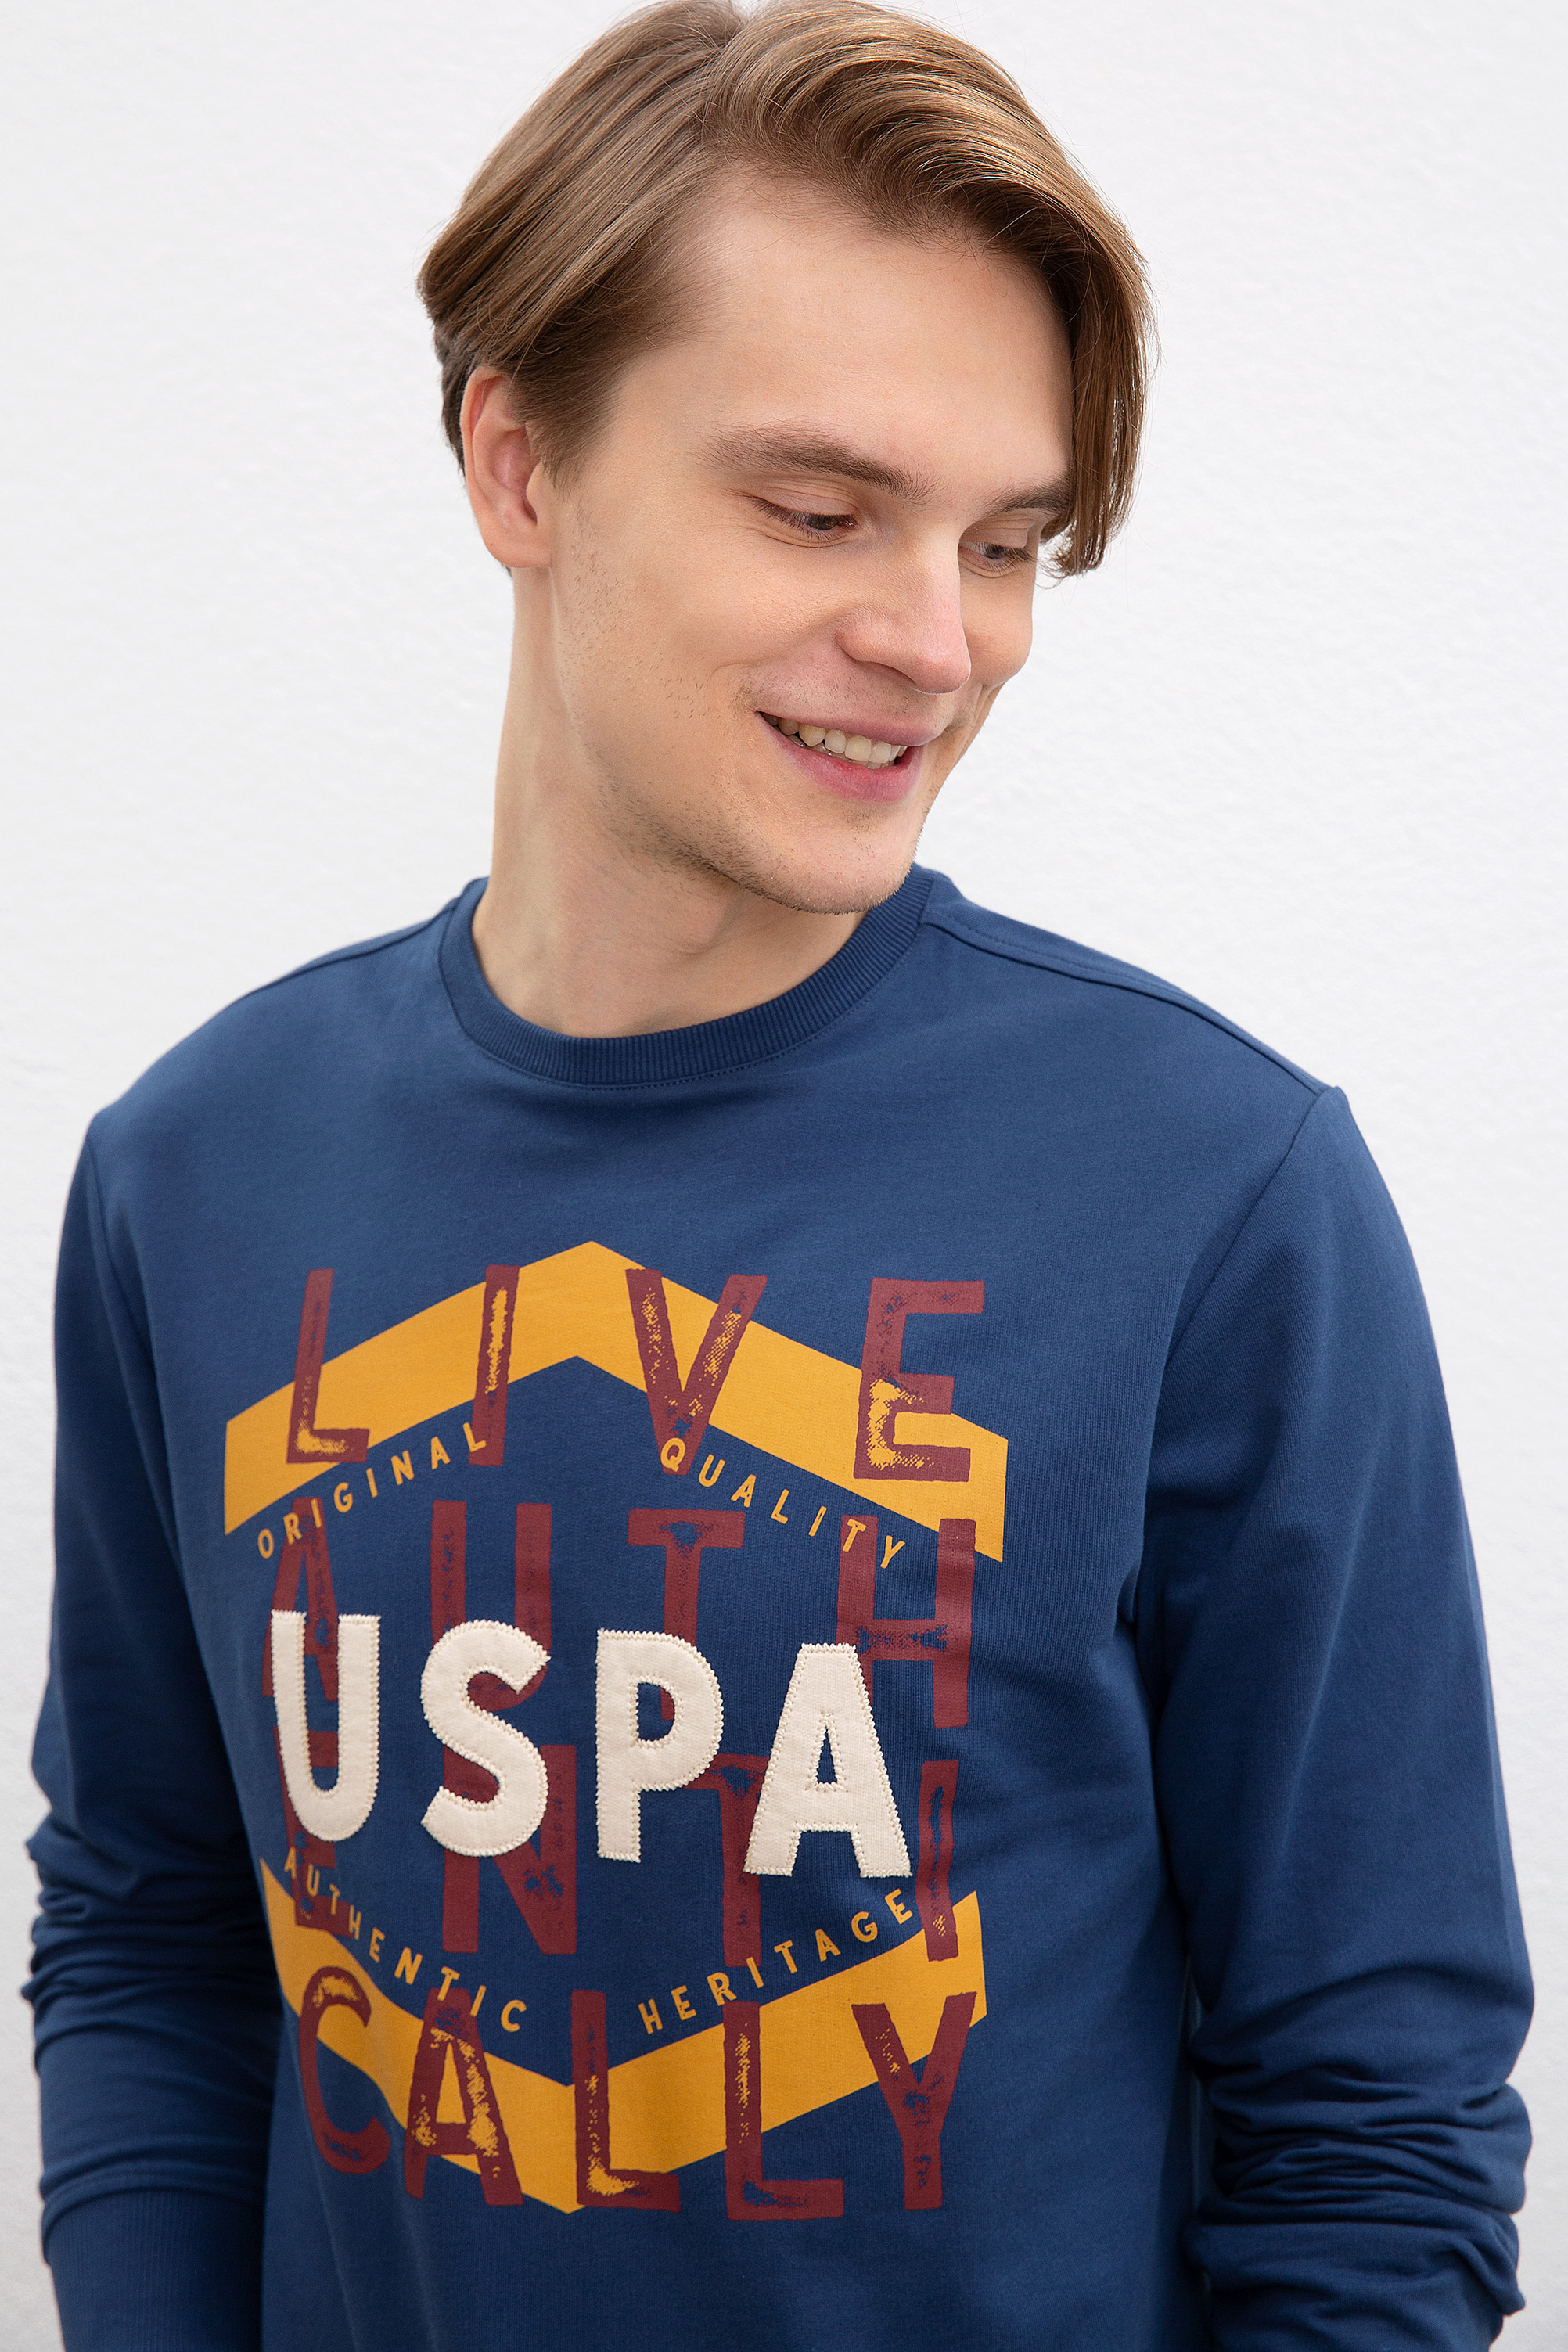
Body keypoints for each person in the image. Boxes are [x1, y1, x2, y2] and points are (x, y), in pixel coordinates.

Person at [26, 2, 1531, 2344]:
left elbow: (1375, 2121)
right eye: (820, 512)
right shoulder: (192, 1174)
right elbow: (154, 1925)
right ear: (518, 464)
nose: (938, 645)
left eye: (1007, 543)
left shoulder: (1215, 1197)